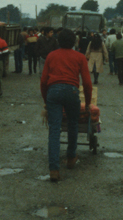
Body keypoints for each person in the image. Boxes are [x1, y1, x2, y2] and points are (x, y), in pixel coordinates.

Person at [40, 28, 93, 182]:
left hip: (53, 92)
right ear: (74, 42)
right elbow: (87, 83)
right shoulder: (80, 57)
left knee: (54, 130)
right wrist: (88, 103)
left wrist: (46, 101)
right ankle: (71, 158)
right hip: (72, 92)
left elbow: (43, 81)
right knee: (72, 124)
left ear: (58, 41)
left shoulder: (51, 56)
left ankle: (54, 169)